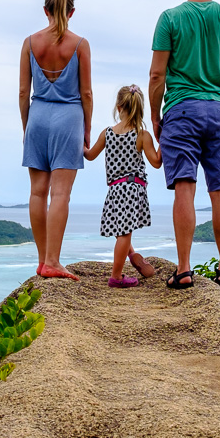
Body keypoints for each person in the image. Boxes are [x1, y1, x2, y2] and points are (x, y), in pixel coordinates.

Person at [148, 0, 220, 291]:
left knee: (185, 189)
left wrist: (155, 115)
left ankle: (184, 268)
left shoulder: (170, 19)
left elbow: (157, 74)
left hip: (181, 110)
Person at [20, 0, 93, 281]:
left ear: (46, 10)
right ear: (71, 12)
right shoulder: (80, 45)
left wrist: (27, 127)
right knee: (60, 193)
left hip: (37, 116)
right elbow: (86, 93)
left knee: (37, 192)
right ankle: (53, 260)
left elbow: (24, 91)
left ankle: (41, 261)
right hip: (68, 119)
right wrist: (87, 129)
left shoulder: (29, 43)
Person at [84, 85, 162, 287]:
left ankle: (133, 254)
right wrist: (164, 140)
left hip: (115, 189)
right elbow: (156, 162)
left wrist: (78, 141)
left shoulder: (107, 133)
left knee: (121, 229)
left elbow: (90, 155)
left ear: (119, 107)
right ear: (140, 108)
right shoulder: (142, 135)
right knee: (125, 233)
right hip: (132, 187)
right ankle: (116, 277)